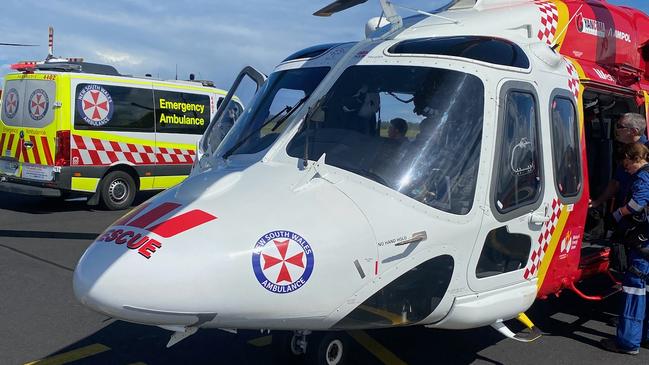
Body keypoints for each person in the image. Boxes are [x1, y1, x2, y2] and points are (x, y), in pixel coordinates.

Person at [601, 142, 649, 355]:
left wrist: (618, 214)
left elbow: (637, 204)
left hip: (642, 243)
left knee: (633, 289)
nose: (624, 167)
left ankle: (628, 342)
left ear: (633, 158)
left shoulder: (642, 178)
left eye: (625, 163)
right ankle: (643, 336)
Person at [591, 113, 648, 209]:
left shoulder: (647, 151)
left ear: (633, 131)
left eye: (619, 126)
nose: (616, 130)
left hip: (640, 212)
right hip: (624, 209)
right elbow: (615, 183)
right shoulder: (625, 150)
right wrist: (597, 202)